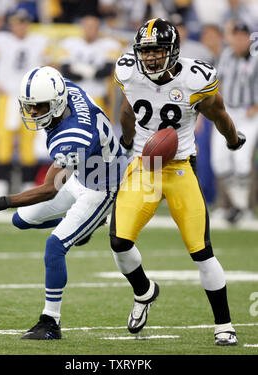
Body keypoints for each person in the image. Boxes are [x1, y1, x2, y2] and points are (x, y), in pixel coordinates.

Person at [110, 18, 246, 346]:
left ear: (172, 51)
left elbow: (218, 114)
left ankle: (223, 324)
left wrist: (232, 139)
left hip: (180, 166)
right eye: (145, 51)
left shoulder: (195, 78)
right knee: (119, 242)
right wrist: (128, 143)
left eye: (157, 51)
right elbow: (127, 111)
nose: (151, 58)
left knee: (201, 251)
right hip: (144, 166)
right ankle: (144, 292)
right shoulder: (128, 71)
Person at [0, 65, 128, 340]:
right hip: (82, 174)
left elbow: (48, 189)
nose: (32, 113)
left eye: (39, 107)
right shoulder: (65, 89)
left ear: (55, 104)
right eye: (29, 106)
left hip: (102, 187)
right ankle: (87, 226)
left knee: (54, 247)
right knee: (21, 220)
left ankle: (50, 322)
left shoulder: (73, 134)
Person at [0, 8, 52, 196]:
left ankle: (28, 188)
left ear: (29, 23)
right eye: (17, 22)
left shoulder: (40, 41)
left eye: (24, 22)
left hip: (31, 99)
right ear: (10, 23)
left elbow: (52, 69)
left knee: (29, 146)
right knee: (3, 145)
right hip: (6, 98)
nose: (20, 26)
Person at [210, 22, 258, 223]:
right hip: (227, 112)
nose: (238, 40)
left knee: (241, 161)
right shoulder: (225, 56)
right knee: (219, 161)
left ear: (249, 38)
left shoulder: (256, 58)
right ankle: (238, 207)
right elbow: (216, 82)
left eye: (242, 36)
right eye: (235, 35)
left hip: (249, 114)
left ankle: (243, 209)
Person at [58, 15, 122, 118]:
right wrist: (93, 71)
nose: (91, 30)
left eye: (94, 27)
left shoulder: (109, 45)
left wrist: (79, 68)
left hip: (98, 95)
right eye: (88, 26)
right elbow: (66, 72)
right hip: (74, 96)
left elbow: (105, 72)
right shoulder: (69, 43)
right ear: (82, 27)